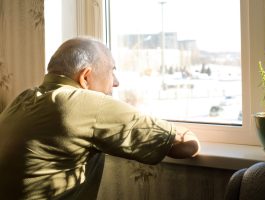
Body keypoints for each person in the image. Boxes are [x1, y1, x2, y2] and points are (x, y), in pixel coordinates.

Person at [0, 37, 201, 200]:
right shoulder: (83, 104)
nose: (116, 82)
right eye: (111, 71)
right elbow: (184, 146)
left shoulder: (24, 98)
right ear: (85, 77)